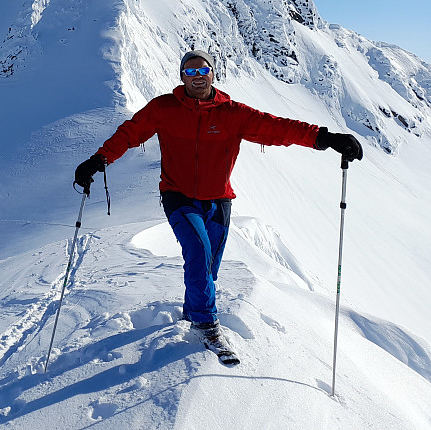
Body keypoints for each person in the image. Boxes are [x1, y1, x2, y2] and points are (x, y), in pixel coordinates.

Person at [73, 50, 363, 355]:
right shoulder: (163, 108)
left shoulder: (233, 113)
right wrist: (99, 159)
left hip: (219, 201)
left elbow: (276, 128)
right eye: (191, 72)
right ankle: (206, 326)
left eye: (203, 71)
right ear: (181, 77)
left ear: (214, 73)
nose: (198, 78)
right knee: (198, 251)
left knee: (208, 268)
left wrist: (325, 138)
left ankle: (192, 311)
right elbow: (130, 133)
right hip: (178, 195)